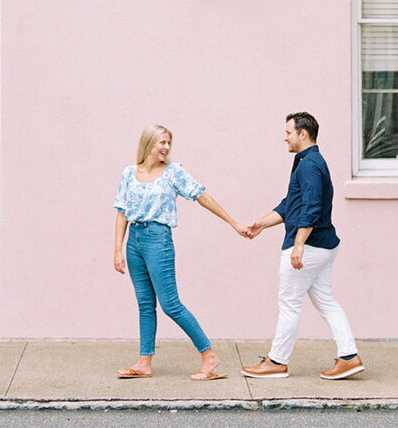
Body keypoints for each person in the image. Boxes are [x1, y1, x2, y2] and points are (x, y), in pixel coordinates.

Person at [113, 124, 250, 381]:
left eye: (168, 143)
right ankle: (144, 362)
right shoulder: (129, 173)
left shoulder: (173, 173)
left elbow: (202, 196)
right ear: (148, 144)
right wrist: (117, 250)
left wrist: (233, 223)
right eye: (161, 142)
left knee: (170, 304)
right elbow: (121, 211)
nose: (166, 148)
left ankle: (209, 356)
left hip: (158, 240)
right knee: (145, 305)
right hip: (134, 242)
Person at [241, 112, 364, 380]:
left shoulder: (309, 165)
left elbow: (311, 206)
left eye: (288, 132)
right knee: (326, 302)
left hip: (309, 247)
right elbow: (291, 204)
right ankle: (349, 356)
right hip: (324, 246)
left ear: (303, 134)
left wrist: (299, 244)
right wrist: (262, 223)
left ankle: (276, 361)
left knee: (289, 303)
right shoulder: (309, 162)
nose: (284, 136)